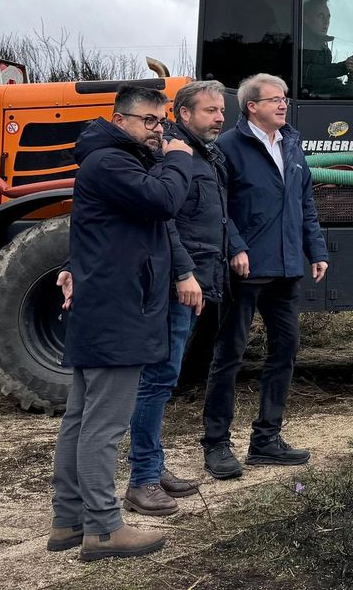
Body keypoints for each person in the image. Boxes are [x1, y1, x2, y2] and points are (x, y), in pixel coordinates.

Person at [48, 85, 195, 562]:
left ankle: (68, 520)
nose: (158, 131)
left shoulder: (110, 160)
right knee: (103, 425)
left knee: (80, 418)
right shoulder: (111, 162)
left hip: (105, 304)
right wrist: (178, 158)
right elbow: (165, 201)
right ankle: (104, 529)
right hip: (118, 310)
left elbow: (99, 230)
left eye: (162, 122)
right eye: (149, 122)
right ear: (118, 120)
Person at [202, 73, 328, 477]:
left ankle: (266, 440)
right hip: (247, 269)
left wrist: (316, 250)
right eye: (274, 99)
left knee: (284, 353)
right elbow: (218, 208)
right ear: (251, 106)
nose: (283, 104)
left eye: (285, 98)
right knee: (230, 355)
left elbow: (304, 201)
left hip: (287, 268)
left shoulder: (291, 144)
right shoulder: (228, 148)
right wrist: (235, 246)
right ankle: (217, 443)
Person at [123, 80, 229, 517]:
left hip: (197, 279)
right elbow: (166, 222)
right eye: (210, 110)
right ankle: (142, 478)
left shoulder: (203, 155)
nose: (221, 117)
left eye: (222, 110)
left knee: (165, 377)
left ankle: (153, 464)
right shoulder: (170, 156)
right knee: (158, 379)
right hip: (176, 283)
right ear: (183, 115)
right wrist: (185, 273)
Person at [300, 0, 353, 98]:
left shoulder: (323, 48)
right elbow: (307, 73)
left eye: (328, 17)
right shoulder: (299, 44)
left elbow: (324, 77)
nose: (326, 22)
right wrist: (343, 67)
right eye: (320, 16)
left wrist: (349, 67)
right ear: (306, 18)